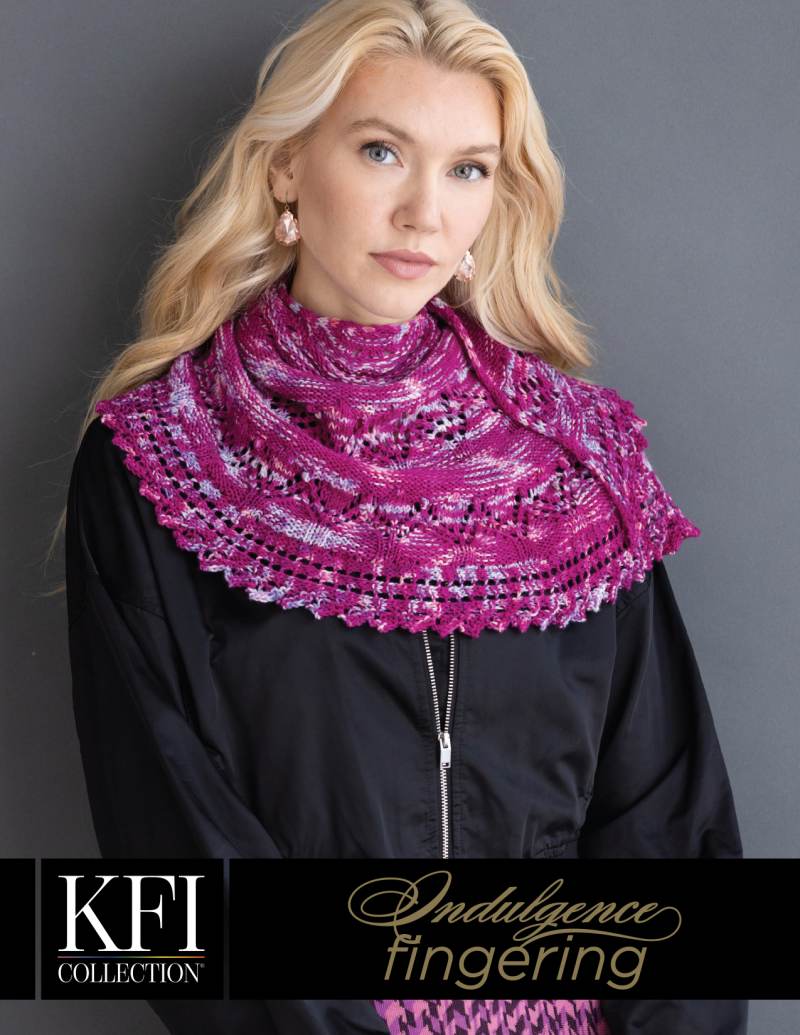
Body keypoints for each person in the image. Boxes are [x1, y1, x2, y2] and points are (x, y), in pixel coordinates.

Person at [56, 0, 747, 1032]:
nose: (425, 211)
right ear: (285, 167)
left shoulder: (577, 460)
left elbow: (669, 816)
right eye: (382, 152)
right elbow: (164, 856)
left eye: (467, 169)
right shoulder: (156, 460)